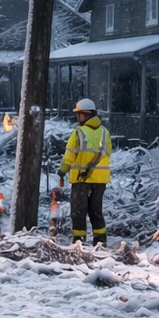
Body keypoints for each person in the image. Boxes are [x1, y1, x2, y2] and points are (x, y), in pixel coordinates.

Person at [57, 98, 112, 246]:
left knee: (78, 213)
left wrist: (62, 171)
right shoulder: (105, 133)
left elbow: (69, 156)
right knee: (96, 212)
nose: (78, 117)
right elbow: (108, 153)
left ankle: (78, 243)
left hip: (82, 180)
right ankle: (100, 242)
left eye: (80, 114)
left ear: (87, 114)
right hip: (100, 181)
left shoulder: (78, 132)